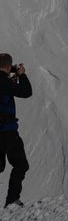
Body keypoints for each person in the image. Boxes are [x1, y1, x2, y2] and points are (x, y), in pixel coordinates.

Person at [0, 53, 32, 208]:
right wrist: (22, 75)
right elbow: (26, 92)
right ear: (7, 67)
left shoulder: (4, 81)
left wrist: (10, 74)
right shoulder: (4, 82)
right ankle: (12, 199)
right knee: (21, 164)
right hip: (7, 132)